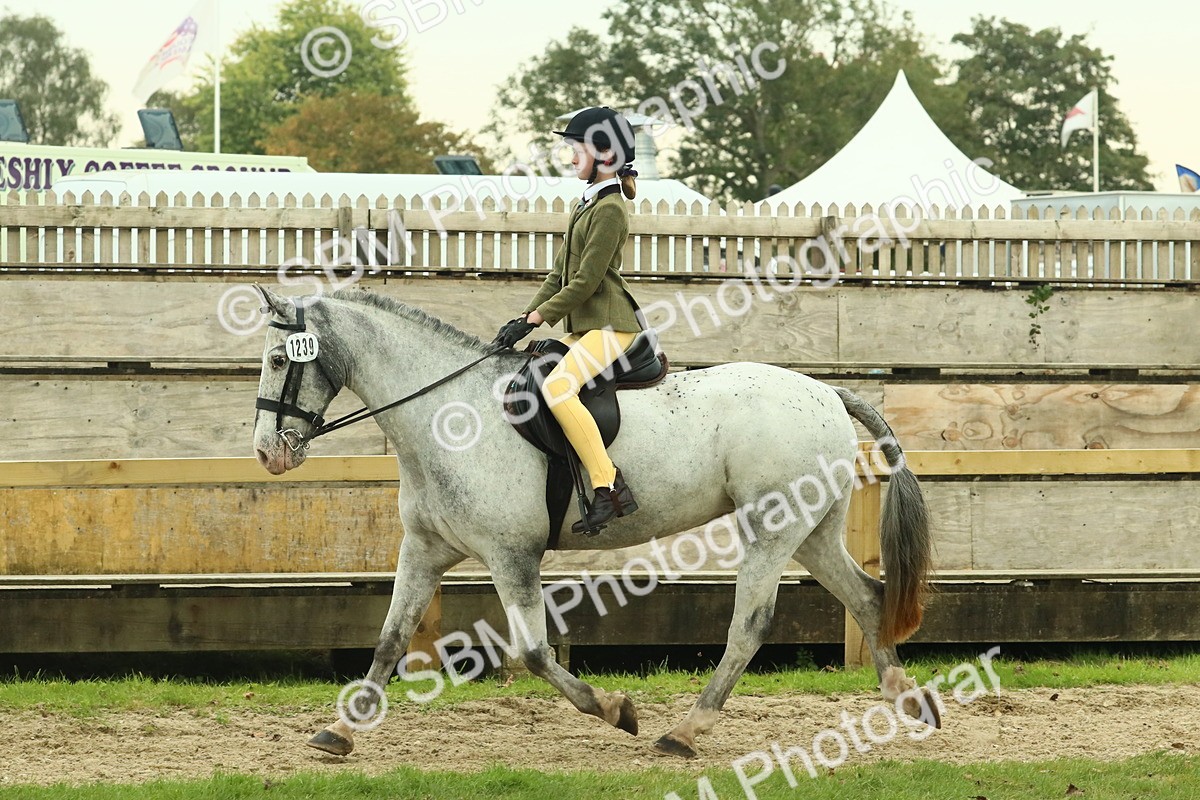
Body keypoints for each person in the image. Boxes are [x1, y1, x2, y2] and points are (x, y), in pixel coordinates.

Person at [493, 106, 644, 534]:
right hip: (585, 327)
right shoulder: (585, 204)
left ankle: (609, 488)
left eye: (576, 148)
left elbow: (584, 282)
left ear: (604, 154)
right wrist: (524, 319)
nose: (571, 156)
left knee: (559, 389)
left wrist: (540, 316)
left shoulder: (611, 209)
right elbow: (556, 276)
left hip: (613, 324)